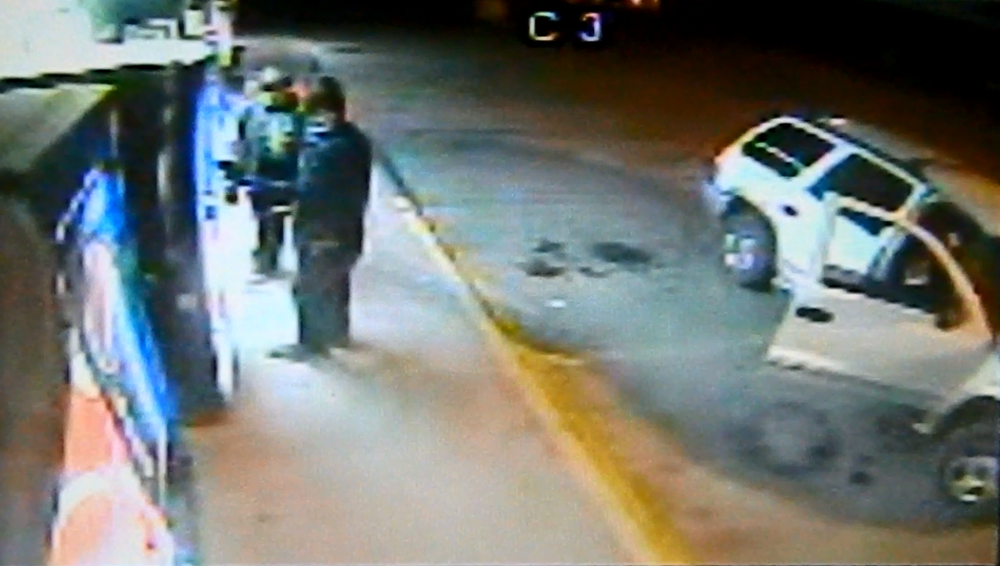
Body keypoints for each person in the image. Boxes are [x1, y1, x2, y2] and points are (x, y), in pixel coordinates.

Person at [280, 75, 372, 358]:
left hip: (321, 229)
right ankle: (338, 333)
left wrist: (263, 188)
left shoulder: (328, 149)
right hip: (348, 226)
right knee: (336, 282)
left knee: (307, 288)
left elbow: (309, 190)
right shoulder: (355, 139)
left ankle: (312, 345)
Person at [236, 66, 305, 275]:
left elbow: (305, 145)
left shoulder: (297, 115)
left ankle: (270, 256)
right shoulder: (251, 112)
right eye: (269, 89)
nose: (273, 94)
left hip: (286, 175)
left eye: (277, 89)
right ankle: (264, 253)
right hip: (259, 175)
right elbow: (242, 144)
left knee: (278, 218)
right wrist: (236, 177)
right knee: (262, 217)